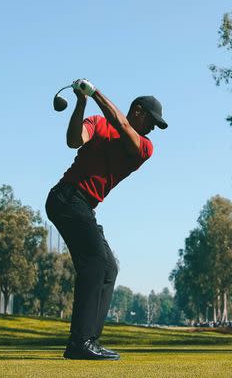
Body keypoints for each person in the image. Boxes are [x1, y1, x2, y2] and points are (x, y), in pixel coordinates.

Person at [45, 78, 167, 360]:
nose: (153, 128)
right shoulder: (98, 124)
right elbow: (73, 140)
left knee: (108, 267)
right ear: (137, 110)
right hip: (66, 198)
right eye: (152, 120)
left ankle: (88, 340)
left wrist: (95, 92)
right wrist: (81, 103)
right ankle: (80, 343)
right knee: (96, 263)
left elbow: (122, 126)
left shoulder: (145, 147)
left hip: (82, 205)